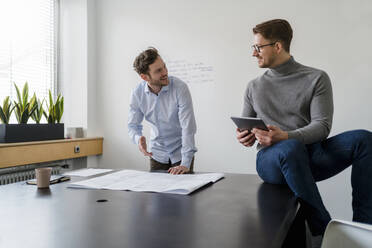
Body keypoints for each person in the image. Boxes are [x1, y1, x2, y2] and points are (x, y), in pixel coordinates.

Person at [236, 19, 372, 238]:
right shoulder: (253, 87)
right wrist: (244, 136)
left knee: (365, 140)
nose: (254, 53)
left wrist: (286, 135)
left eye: (258, 47)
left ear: (277, 46)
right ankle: (325, 230)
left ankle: (365, 227)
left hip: (312, 155)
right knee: (290, 148)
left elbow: (322, 126)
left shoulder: (316, 78)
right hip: (272, 161)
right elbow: (246, 125)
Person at [128, 47, 197, 175]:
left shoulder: (180, 88)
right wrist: (138, 139)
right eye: (158, 70)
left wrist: (185, 163)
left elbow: (188, 127)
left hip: (181, 153)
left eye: (164, 66)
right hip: (157, 155)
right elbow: (132, 125)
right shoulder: (137, 94)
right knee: (156, 194)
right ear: (144, 77)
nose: (165, 72)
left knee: (183, 193)